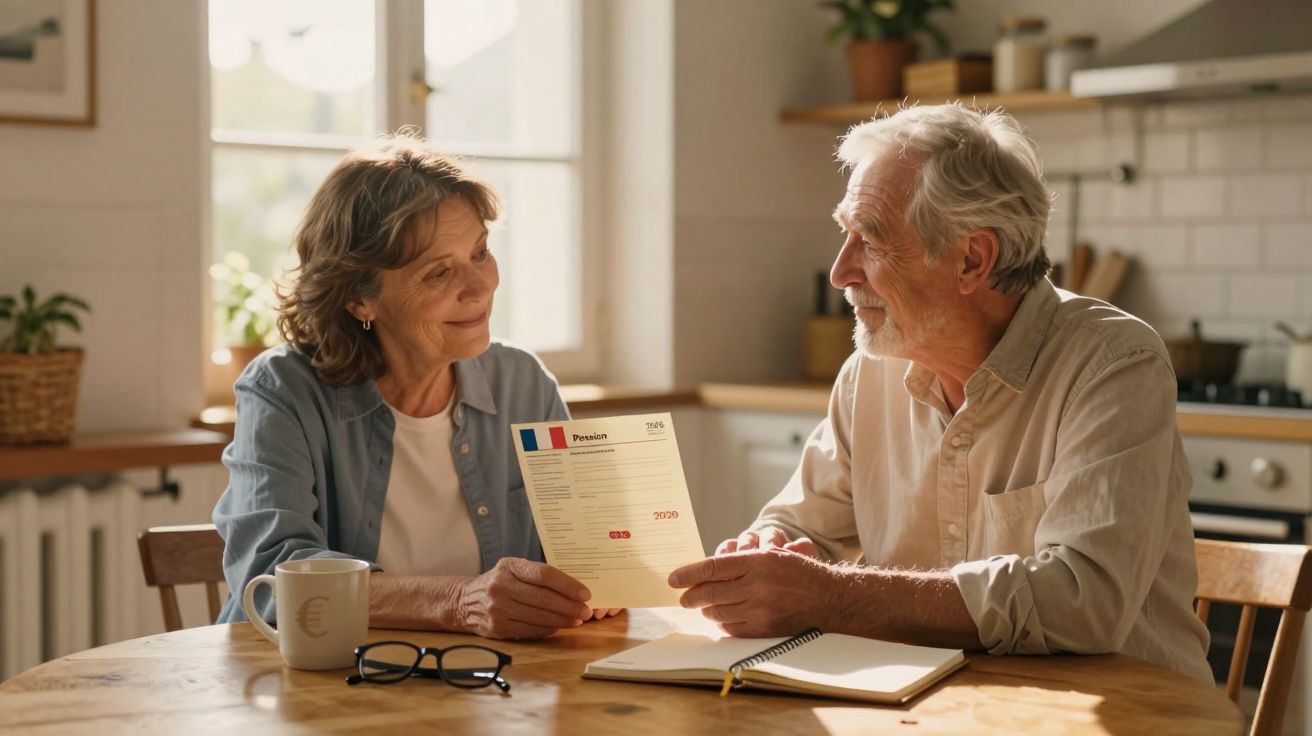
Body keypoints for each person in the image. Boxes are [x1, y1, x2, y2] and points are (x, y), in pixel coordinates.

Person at [667, 103, 1212, 682]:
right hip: (940, 707)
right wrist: (772, 547)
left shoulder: (1113, 365)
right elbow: (805, 527)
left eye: (871, 239)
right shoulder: (867, 374)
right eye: (844, 233)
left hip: (1128, 715)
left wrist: (831, 594)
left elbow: (1082, 600)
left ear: (972, 260)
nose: (840, 271)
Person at [213, 133, 618, 639]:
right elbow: (271, 574)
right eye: (438, 273)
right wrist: (457, 601)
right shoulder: (282, 390)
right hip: (305, 694)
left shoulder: (523, 383)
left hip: (481, 690)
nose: (479, 286)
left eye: (480, 253)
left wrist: (600, 579)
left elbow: (586, 550)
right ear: (361, 299)